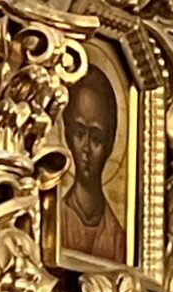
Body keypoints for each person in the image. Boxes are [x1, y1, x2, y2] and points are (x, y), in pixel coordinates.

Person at [56, 63, 127, 267]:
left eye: (96, 138)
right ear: (67, 135)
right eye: (79, 133)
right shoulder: (56, 221)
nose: (86, 148)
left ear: (109, 143)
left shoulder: (119, 238)